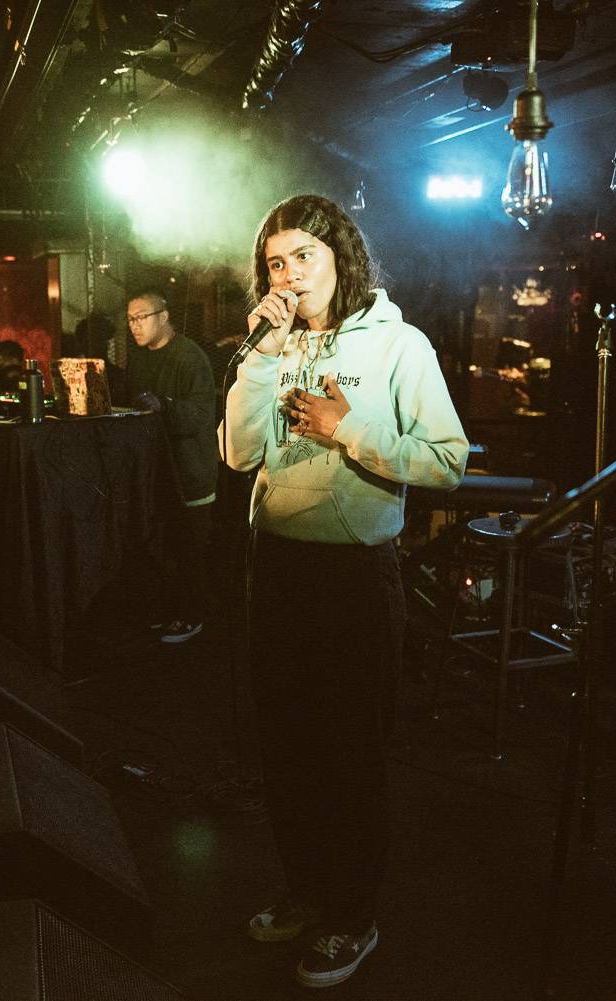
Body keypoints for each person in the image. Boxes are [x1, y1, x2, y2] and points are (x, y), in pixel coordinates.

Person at [220, 193, 468, 989]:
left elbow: (447, 460)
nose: (290, 275)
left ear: (342, 259)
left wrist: (347, 428)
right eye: (277, 262)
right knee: (286, 746)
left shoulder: (400, 344)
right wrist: (258, 356)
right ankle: (307, 891)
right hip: (279, 568)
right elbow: (235, 454)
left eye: (305, 257)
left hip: (356, 574)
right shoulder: (272, 345)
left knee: (348, 755)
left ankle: (353, 917)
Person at [125, 290, 218, 644]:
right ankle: (168, 611)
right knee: (162, 550)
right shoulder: (138, 358)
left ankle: (192, 616)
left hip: (190, 472)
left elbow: (199, 415)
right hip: (157, 472)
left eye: (142, 317)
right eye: (130, 319)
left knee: (189, 551)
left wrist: (162, 405)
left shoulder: (189, 357)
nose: (135, 325)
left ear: (163, 316)